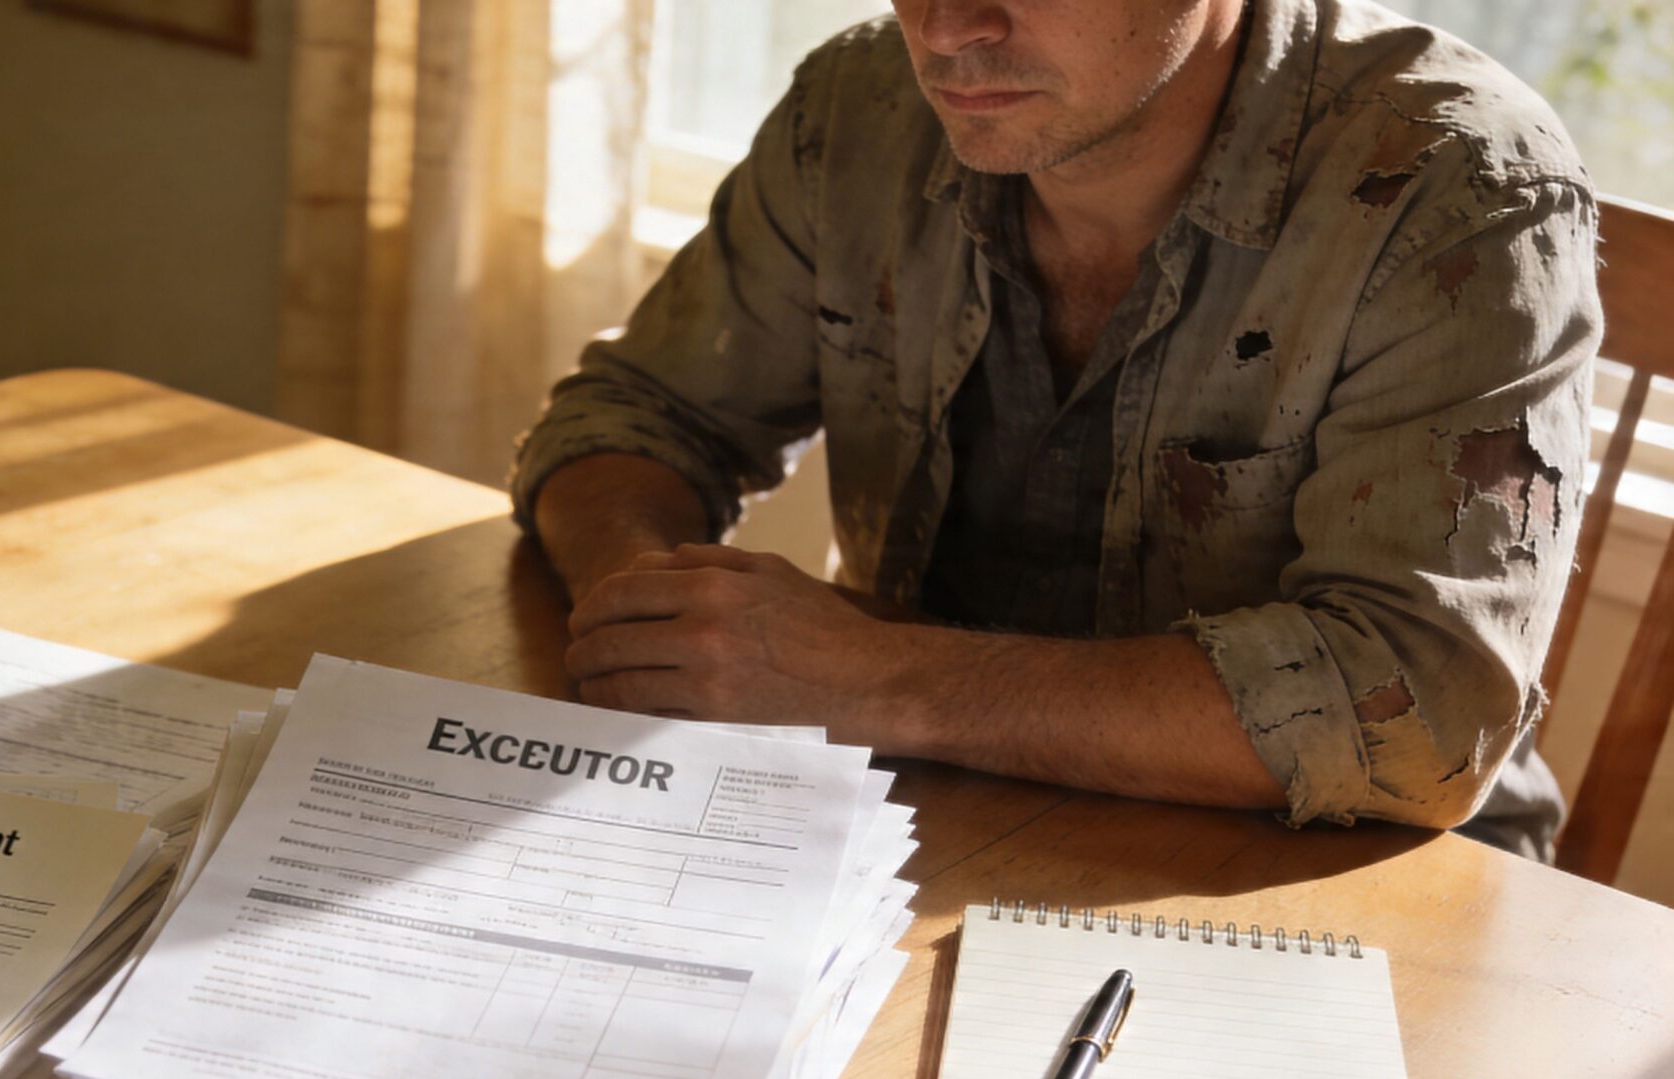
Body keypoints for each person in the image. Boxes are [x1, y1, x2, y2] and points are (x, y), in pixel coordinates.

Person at [511, 0, 1599, 858]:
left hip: (1340, 879)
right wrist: (655, 620)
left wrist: (872, 680)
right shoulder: (860, 103)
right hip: (926, 817)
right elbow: (639, 416)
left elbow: (1418, 716)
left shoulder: (1458, 185)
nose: (945, 29)